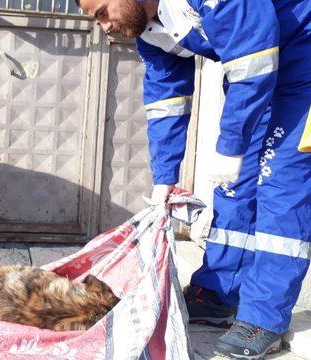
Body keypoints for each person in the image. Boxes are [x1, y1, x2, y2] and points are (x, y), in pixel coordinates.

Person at [75, 0, 311, 358]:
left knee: (281, 185)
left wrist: (231, 145)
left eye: (102, 11)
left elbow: (254, 56)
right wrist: (164, 179)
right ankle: (220, 292)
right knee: (235, 187)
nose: (104, 26)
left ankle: (264, 318)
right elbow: (167, 100)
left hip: (302, 67)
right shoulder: (149, 30)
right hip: (258, 73)